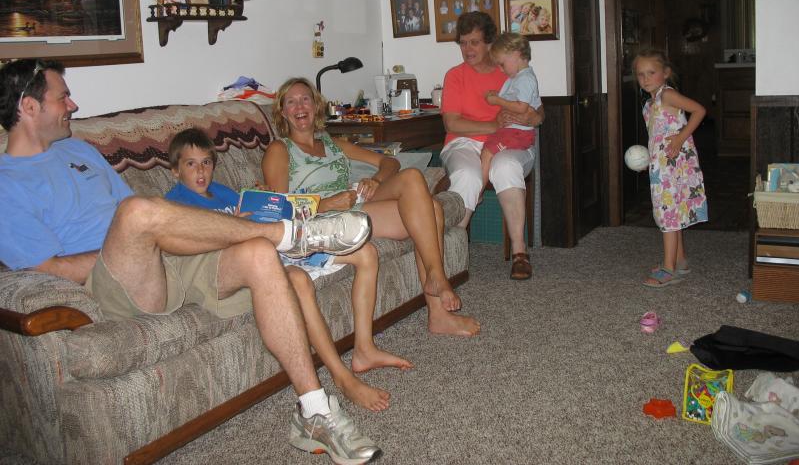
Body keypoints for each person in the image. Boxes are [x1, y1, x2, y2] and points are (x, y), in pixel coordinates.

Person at [0, 59, 381, 465]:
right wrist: (145, 244)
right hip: (114, 281)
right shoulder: (8, 184)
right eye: (62, 98)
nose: (73, 105)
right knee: (137, 213)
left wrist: (179, 237)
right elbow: (52, 270)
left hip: (166, 257)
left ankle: (314, 411)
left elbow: (153, 217)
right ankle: (292, 233)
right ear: (29, 106)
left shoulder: (77, 149)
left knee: (257, 253)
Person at [165, 127, 412, 411]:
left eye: (206, 162)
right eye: (191, 164)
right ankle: (342, 377)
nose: (201, 171)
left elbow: (254, 218)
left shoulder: (223, 192)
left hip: (276, 247)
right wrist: (235, 228)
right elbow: (190, 247)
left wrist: (264, 201)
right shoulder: (177, 203)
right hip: (244, 266)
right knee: (299, 280)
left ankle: (364, 349)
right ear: (175, 171)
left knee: (366, 252)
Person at [262, 78, 480, 337]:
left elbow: (391, 163)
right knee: (430, 209)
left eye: (305, 99)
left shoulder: (333, 144)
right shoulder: (280, 149)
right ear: (283, 112)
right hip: (324, 220)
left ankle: (437, 300)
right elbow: (279, 208)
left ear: (316, 105)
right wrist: (328, 203)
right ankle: (438, 292)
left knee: (419, 189)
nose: (300, 106)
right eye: (291, 102)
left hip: (354, 205)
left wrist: (376, 180)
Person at [440, 12, 544, 280]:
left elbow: (538, 111)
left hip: (508, 141)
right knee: (468, 174)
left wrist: (534, 118)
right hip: (464, 142)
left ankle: (519, 252)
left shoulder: (509, 70)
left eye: (474, 42)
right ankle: (452, 252)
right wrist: (493, 126)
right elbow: (452, 123)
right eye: (463, 43)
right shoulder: (455, 75)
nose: (467, 49)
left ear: (489, 43)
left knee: (505, 166)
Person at [634, 49, 708, 288]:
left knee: (668, 214)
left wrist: (680, 138)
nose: (645, 78)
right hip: (662, 165)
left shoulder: (667, 95)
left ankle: (669, 269)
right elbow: (656, 136)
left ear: (665, 73)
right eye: (640, 74)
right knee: (672, 212)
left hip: (675, 165)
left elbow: (699, 110)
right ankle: (680, 260)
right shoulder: (651, 102)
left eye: (651, 72)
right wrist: (649, 161)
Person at [480, 33, 543, 190]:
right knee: (486, 151)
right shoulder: (518, 78)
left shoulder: (525, 79)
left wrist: (497, 101)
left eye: (502, 64)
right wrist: (497, 95)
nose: (501, 70)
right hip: (512, 131)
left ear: (516, 54)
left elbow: (521, 107)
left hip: (518, 133)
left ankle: (477, 193)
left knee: (487, 152)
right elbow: (514, 98)